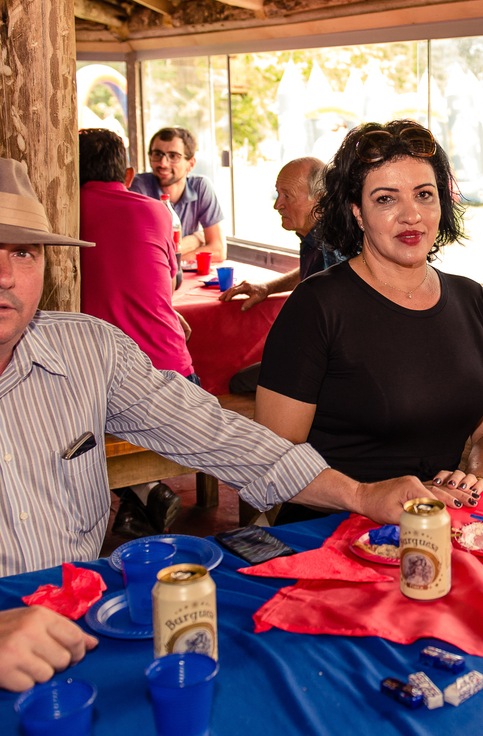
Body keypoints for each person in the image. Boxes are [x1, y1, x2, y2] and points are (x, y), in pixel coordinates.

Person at [0, 148, 433, 692]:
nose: (3, 274)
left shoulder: (89, 348)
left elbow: (217, 433)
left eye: (23, 253)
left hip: (81, 644)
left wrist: (360, 493)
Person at [255, 120, 483, 523]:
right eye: (385, 199)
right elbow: (274, 456)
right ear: (357, 212)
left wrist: (472, 480)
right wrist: (363, 495)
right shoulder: (317, 306)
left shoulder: (471, 300)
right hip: (334, 529)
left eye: (424, 195)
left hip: (441, 522)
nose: (411, 215)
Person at [78, 127, 194, 538]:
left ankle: (140, 496)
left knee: (73, 402)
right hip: (176, 373)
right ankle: (142, 496)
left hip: (108, 379)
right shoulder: (157, 211)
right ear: (128, 174)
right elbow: (173, 281)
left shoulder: (64, 213)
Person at [219, 156, 343, 312]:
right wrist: (267, 287)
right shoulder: (315, 237)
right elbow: (314, 273)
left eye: (287, 196)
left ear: (319, 199)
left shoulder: (334, 248)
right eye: (278, 194)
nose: (277, 205)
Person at [129, 127, 226, 264]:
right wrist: (195, 240)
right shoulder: (138, 189)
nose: (163, 163)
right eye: (157, 154)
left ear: (191, 164)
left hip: (181, 277)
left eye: (173, 156)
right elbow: (146, 254)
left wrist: (176, 260)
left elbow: (218, 250)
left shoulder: (201, 187)